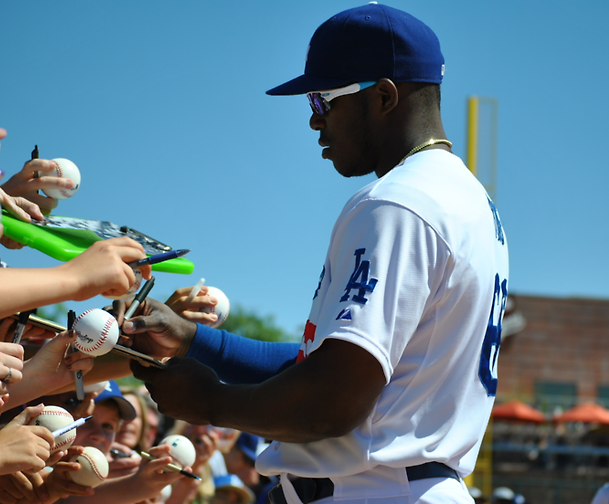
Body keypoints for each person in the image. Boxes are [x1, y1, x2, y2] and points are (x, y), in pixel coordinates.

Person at [115, 4, 509, 503]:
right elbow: (332, 366)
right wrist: (194, 340)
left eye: (323, 100)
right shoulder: (467, 200)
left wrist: (210, 401)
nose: (312, 120)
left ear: (384, 96)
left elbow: (331, 400)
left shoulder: (399, 203)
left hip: (370, 491)